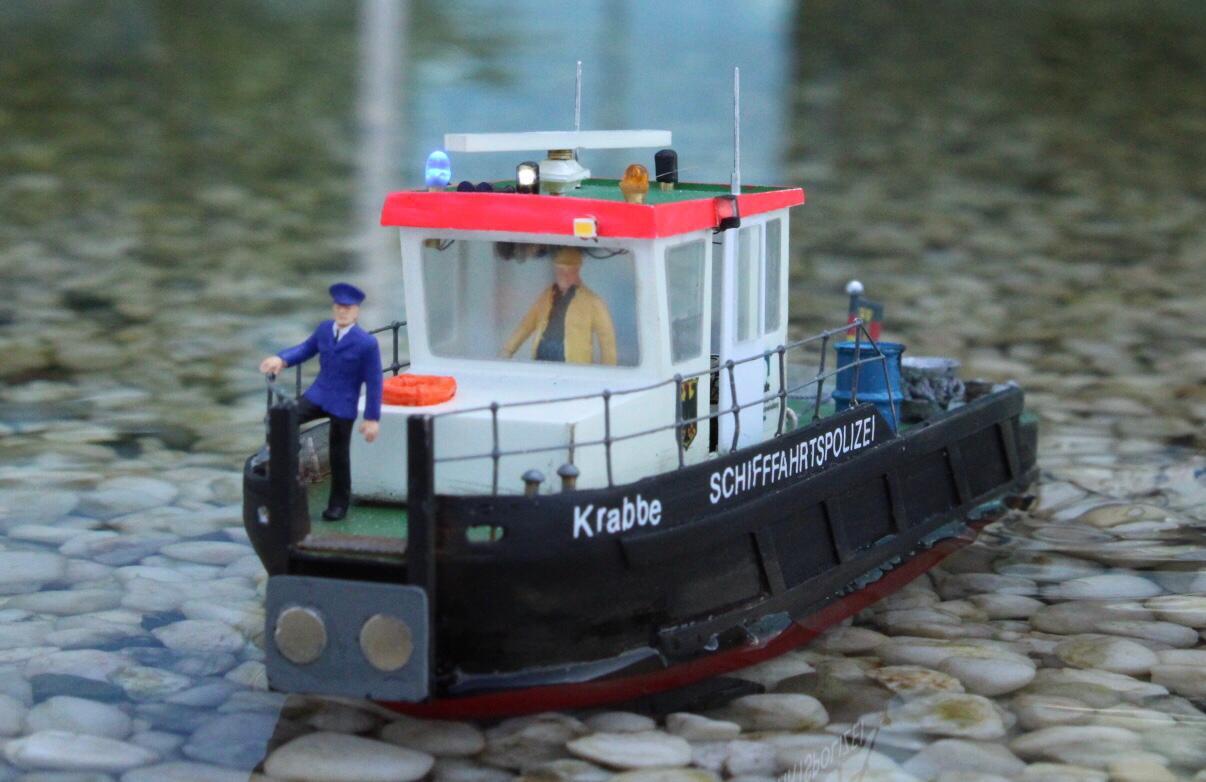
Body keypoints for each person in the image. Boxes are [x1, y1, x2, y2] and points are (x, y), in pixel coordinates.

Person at [259, 283, 382, 521]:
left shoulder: (366, 343)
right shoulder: (325, 330)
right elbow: (305, 349)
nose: (342, 312)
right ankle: (286, 453)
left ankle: (338, 505)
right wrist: (281, 359)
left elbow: (374, 381)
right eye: (339, 307)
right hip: (319, 394)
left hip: (343, 402)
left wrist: (371, 418)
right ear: (334, 308)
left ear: (356, 311)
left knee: (339, 455)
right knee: (283, 416)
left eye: (348, 308)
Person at [501, 247, 618, 365]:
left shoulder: (592, 301)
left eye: (570, 272)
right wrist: (507, 351)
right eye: (560, 271)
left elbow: (607, 339)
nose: (565, 276)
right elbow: (526, 326)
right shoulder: (546, 297)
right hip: (542, 356)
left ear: (577, 271)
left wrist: (609, 369)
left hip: (574, 362)